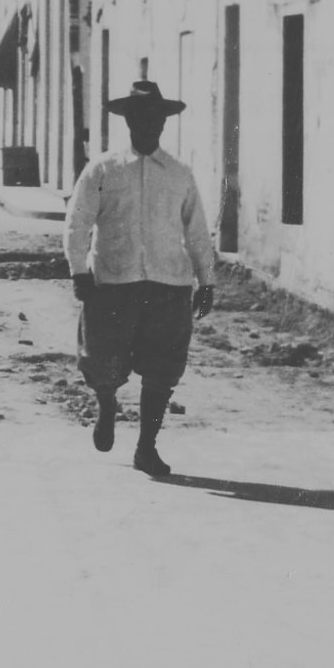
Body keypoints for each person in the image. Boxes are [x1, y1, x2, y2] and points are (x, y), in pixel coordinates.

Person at [65, 80, 218, 478]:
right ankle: (106, 405)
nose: (147, 125)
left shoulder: (179, 174)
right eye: (139, 117)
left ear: (163, 123)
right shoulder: (103, 169)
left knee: (163, 368)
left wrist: (207, 280)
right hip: (113, 283)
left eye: (154, 118)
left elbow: (197, 230)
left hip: (168, 285)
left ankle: (146, 448)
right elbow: (78, 222)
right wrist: (79, 271)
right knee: (102, 361)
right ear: (128, 121)